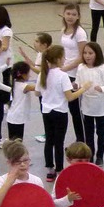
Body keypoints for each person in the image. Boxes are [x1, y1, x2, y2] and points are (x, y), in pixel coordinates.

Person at [35, 45, 92, 182]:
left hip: (47, 111)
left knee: (49, 140)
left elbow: (37, 92)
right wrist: (83, 88)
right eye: (63, 57)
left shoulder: (43, 73)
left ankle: (50, 169)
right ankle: (59, 169)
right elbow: (70, 97)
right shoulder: (63, 75)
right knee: (59, 142)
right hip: (60, 112)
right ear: (59, 59)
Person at [76, 42, 104, 166]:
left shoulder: (102, 68)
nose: (87, 56)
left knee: (101, 132)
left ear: (97, 54)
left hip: (100, 106)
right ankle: (90, 156)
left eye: (90, 53)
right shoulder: (81, 67)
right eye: (85, 53)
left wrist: (102, 89)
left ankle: (100, 156)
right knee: (89, 133)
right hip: (87, 106)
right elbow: (78, 83)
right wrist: (76, 86)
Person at [60, 3, 88, 143]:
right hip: (65, 72)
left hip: (75, 74)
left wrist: (66, 68)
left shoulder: (80, 33)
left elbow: (82, 56)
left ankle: (82, 140)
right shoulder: (64, 30)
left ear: (78, 17)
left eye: (73, 14)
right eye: (68, 14)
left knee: (76, 109)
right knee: (70, 108)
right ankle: (79, 139)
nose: (70, 17)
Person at [19, 32, 52, 143]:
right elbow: (36, 65)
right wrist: (26, 57)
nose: (34, 43)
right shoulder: (40, 53)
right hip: (41, 84)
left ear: (44, 45)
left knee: (46, 111)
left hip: (45, 86)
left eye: (37, 41)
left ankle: (49, 133)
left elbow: (40, 70)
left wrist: (29, 66)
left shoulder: (45, 55)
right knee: (43, 110)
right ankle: (48, 132)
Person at [6, 61, 36, 140]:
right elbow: (38, 88)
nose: (30, 75)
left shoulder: (15, 83)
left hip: (12, 117)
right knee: (17, 141)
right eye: (28, 73)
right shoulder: (24, 86)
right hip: (17, 118)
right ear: (22, 74)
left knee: (12, 141)